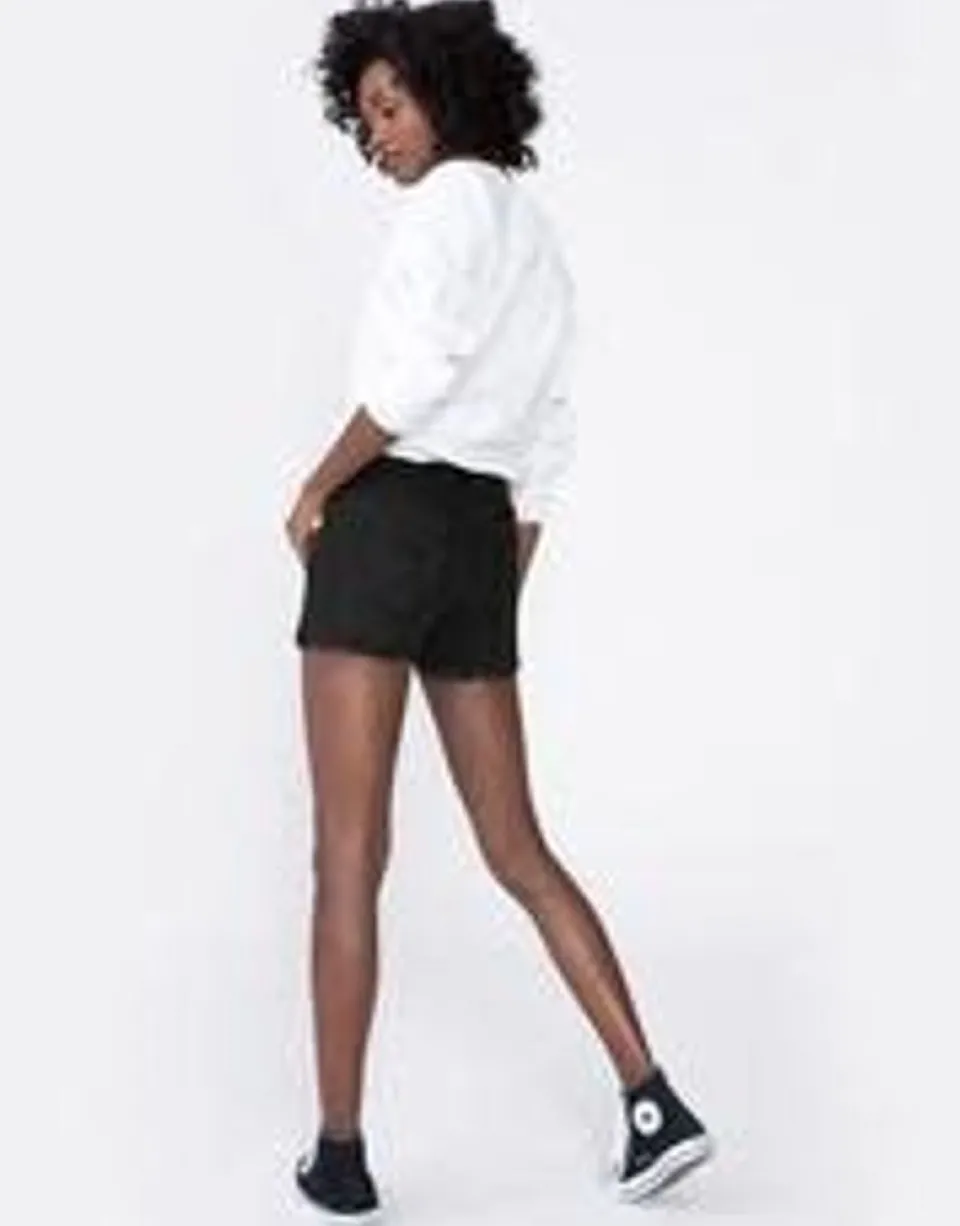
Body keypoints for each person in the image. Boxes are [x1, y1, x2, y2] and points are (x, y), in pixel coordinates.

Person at [284, 2, 714, 1217]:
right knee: (516, 843)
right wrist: (481, 585)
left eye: (390, 105)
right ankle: (652, 1099)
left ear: (448, 92)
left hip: (388, 520)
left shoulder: (443, 209)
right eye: (362, 117)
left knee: (348, 856)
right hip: (484, 537)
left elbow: (413, 378)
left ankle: (341, 1154)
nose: (376, 133)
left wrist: (318, 487)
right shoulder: (538, 238)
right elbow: (546, 444)